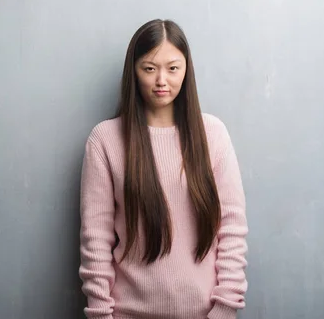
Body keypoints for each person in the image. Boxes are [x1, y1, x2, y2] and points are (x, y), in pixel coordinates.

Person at [78, 19, 248, 319]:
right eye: (149, 68)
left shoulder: (213, 134)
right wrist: (101, 315)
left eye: (173, 68)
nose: (161, 80)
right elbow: (95, 241)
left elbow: (232, 229)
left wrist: (224, 310)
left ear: (186, 70)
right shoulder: (105, 140)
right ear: (134, 71)